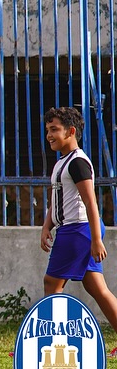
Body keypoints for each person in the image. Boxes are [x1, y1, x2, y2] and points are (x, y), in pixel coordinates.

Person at [40, 106, 117, 330]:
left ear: (71, 131)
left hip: (77, 231)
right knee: (98, 289)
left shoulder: (77, 163)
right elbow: (57, 200)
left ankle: (48, 343)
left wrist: (96, 239)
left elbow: (90, 202)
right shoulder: (62, 162)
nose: (49, 136)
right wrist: (47, 226)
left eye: (54, 129)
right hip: (75, 230)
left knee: (52, 283)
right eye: (47, 130)